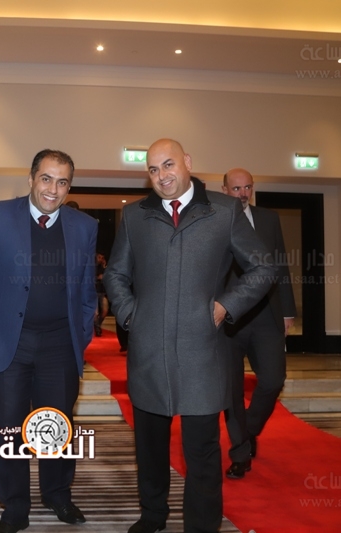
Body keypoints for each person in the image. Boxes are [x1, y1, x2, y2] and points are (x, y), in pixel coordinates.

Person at [103, 139, 275, 533]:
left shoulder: (224, 210)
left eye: (168, 165)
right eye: (153, 169)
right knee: (149, 447)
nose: (161, 175)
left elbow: (263, 267)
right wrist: (130, 314)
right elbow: (115, 274)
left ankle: (201, 526)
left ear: (187, 163)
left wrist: (226, 305)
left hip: (203, 352)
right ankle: (153, 515)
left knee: (201, 450)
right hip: (148, 352)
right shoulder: (135, 216)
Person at [0, 149, 98, 533]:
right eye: (46, 179)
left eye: (62, 182)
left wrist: (82, 337)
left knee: (56, 424)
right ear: (31, 179)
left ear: (69, 187)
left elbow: (87, 290)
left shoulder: (84, 226)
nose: (53, 189)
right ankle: (14, 506)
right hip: (9, 339)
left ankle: (57, 493)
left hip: (60, 343)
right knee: (9, 427)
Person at [221, 168, 296, 479]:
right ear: (224, 190)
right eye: (236, 188)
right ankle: (240, 453)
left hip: (266, 315)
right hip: (227, 319)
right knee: (231, 391)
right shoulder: (214, 219)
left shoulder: (268, 219)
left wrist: (287, 310)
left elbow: (280, 265)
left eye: (247, 188)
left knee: (273, 380)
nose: (242, 193)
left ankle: (248, 430)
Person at [94, 253, 108, 336]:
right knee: (95, 313)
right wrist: (97, 277)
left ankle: (97, 325)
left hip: (102, 292)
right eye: (99, 257)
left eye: (102, 258)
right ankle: (97, 329)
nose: (101, 259)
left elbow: (109, 277)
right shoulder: (92, 267)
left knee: (105, 311)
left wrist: (105, 267)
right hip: (94, 292)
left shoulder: (104, 268)